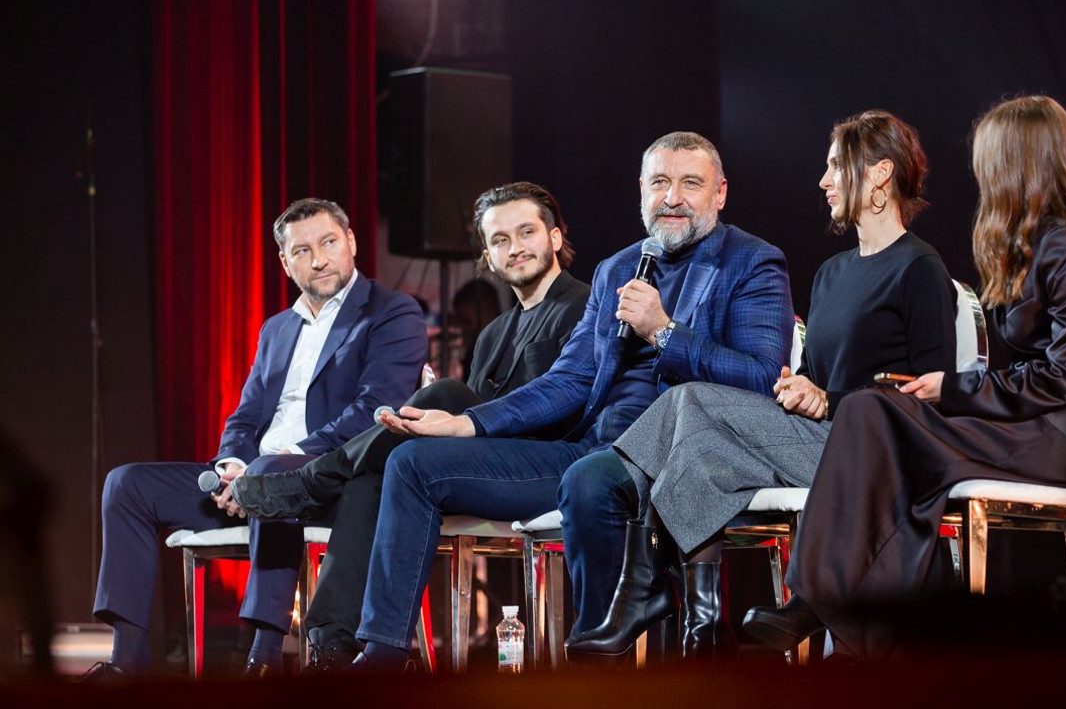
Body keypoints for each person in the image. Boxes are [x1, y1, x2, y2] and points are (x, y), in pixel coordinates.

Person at [352, 131, 794, 669]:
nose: (672, 198)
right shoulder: (618, 269)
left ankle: (597, 671)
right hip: (590, 447)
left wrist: (663, 331)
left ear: (719, 193)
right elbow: (569, 380)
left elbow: (758, 378)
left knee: (589, 481)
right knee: (412, 463)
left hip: (676, 454)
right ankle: (381, 657)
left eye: (690, 184)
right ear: (641, 190)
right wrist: (465, 423)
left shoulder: (752, 261)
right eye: (660, 183)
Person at [743, 95, 1066, 660]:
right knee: (873, 412)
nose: (983, 175)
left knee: (884, 424)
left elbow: (1063, 381)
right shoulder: (1034, 245)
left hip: (1065, 438)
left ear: (1021, 162)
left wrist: (952, 388)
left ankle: (824, 606)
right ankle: (856, 626)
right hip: (1031, 424)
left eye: (989, 160)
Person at [565, 110, 957, 661]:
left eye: (835, 167)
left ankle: (644, 589)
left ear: (879, 174)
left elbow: (930, 398)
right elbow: (813, 375)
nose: (823, 181)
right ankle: (702, 632)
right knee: (699, 448)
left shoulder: (919, 267)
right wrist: (801, 387)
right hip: (818, 437)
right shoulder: (832, 273)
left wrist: (830, 400)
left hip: (876, 452)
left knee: (688, 397)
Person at [231, 182, 591, 669]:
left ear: (554, 237)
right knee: (375, 475)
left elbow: (560, 401)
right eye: (500, 240)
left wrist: (450, 410)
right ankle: (334, 645)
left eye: (526, 233)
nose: (515, 248)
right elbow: (475, 421)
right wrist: (436, 418)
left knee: (443, 397)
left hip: (555, 463)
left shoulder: (583, 308)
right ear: (487, 256)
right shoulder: (493, 334)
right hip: (488, 466)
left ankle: (315, 478)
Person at [86, 198, 427, 679]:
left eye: (329, 242)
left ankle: (263, 660)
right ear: (285, 262)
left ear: (351, 242)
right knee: (127, 485)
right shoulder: (277, 328)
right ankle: (125, 664)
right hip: (255, 477)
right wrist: (231, 466)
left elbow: (374, 411)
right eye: (303, 251)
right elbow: (245, 416)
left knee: (270, 475)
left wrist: (276, 466)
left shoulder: (391, 313)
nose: (319, 259)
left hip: (332, 482)